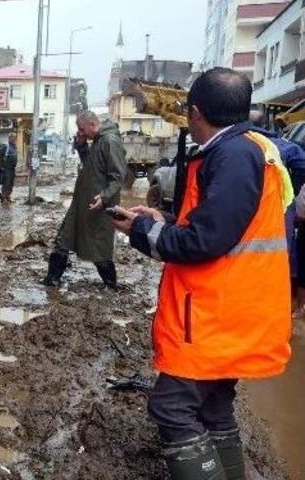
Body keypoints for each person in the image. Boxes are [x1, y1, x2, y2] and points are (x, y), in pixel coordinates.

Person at [111, 68, 292, 480]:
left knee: (171, 406)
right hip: (239, 305)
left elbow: (203, 242)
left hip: (216, 312)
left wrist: (141, 230)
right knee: (213, 405)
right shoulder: (250, 148)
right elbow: (221, 226)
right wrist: (163, 220)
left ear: (195, 113)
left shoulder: (232, 156)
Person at [42, 111, 127, 289]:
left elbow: (118, 177)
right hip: (83, 203)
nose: (80, 132)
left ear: (92, 125)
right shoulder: (97, 140)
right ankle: (52, 279)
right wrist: (81, 146)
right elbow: (91, 165)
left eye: (82, 129)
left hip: (99, 206)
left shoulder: (110, 141)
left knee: (98, 246)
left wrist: (104, 197)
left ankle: (111, 284)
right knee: (64, 239)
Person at [1, 132, 19, 201]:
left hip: (12, 168)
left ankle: (8, 196)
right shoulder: (6, 146)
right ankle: (3, 197)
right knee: (7, 182)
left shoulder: (14, 147)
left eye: (15, 138)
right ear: (9, 138)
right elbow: (0, 156)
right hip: (7, 167)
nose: (14, 139)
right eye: (13, 138)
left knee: (11, 182)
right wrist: (1, 166)